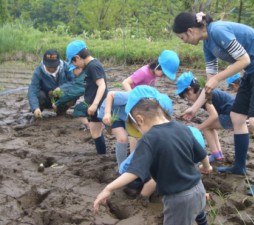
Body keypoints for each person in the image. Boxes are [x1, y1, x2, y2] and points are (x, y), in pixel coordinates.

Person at [173, 12, 254, 195]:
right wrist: (194, 107)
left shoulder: (218, 31)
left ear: (190, 31)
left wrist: (217, 79)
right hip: (251, 71)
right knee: (237, 117)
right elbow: (209, 84)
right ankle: (239, 166)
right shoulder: (207, 43)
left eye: (182, 37)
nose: (183, 41)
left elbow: (244, 59)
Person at [94, 85, 213, 225]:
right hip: (199, 189)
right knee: (201, 217)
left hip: (178, 198)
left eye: (137, 127)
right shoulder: (182, 128)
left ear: (140, 119)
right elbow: (201, 154)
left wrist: (108, 188)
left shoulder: (149, 138)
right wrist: (207, 167)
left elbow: (133, 171)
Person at [176, 71, 235, 162]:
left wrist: (198, 128)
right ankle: (218, 154)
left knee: (206, 128)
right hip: (233, 113)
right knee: (210, 127)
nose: (187, 99)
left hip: (232, 114)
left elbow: (214, 116)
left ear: (190, 89)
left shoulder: (205, 96)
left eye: (186, 96)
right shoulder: (203, 92)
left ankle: (216, 155)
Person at [66, 40, 108, 155]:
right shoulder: (90, 66)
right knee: (95, 132)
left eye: (73, 62)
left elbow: (102, 85)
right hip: (93, 103)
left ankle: (102, 155)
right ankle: (102, 154)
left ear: (78, 57)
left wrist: (94, 105)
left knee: (99, 131)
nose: (74, 65)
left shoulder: (93, 66)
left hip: (98, 104)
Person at [27, 49, 75, 118]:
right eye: (49, 67)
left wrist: (61, 89)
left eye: (54, 66)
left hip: (62, 97)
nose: (52, 69)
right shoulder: (38, 72)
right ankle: (38, 112)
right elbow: (32, 91)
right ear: (44, 63)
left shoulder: (66, 67)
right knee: (39, 95)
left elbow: (74, 82)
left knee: (73, 93)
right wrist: (35, 107)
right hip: (47, 98)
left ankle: (61, 110)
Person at [52, 65, 89, 130]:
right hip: (97, 98)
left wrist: (57, 103)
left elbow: (71, 94)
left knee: (78, 109)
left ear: (80, 68)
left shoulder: (81, 79)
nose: (73, 73)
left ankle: (89, 127)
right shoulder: (87, 74)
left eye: (74, 70)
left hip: (95, 100)